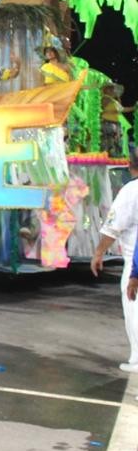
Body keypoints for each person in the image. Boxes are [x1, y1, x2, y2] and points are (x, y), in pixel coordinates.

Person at [93, 149, 138, 372]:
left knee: (134, 310)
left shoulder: (131, 191)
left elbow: (113, 227)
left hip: (135, 264)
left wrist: (99, 251)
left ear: (131, 166)